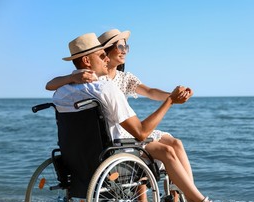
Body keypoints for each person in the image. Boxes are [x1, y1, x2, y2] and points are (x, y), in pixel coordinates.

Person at [53, 33, 242, 202]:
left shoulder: (64, 90)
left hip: (85, 156)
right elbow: (140, 133)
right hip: (117, 147)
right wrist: (170, 101)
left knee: (174, 144)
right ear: (88, 59)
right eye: (104, 54)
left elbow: (50, 84)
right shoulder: (105, 88)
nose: (110, 57)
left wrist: (171, 96)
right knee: (167, 151)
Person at [47, 29, 194, 184]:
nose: (125, 51)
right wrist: (72, 77)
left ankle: (182, 197)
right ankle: (181, 200)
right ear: (106, 51)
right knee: (162, 148)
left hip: (122, 126)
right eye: (121, 47)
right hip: (116, 134)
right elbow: (49, 84)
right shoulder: (94, 81)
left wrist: (173, 96)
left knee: (174, 143)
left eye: (126, 47)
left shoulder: (123, 78)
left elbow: (150, 91)